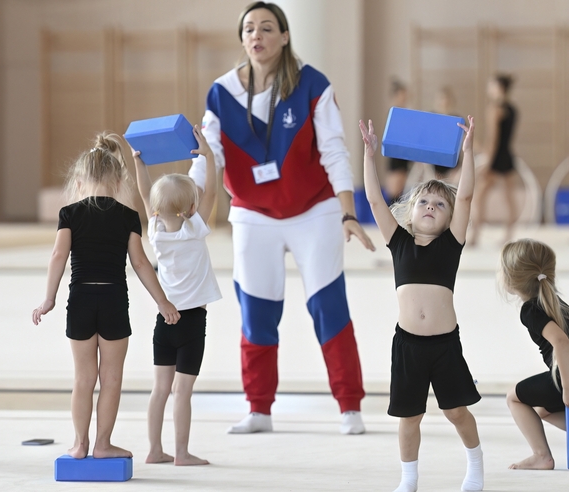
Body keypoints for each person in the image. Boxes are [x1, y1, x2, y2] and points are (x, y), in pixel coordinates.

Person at [188, 1, 374, 435]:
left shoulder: (312, 84)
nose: (257, 35)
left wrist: (348, 211)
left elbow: (334, 150)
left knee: (329, 307)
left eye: (267, 28)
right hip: (253, 214)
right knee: (256, 311)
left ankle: (349, 406)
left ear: (285, 36)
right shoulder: (220, 92)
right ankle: (259, 408)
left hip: (315, 210)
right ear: (242, 39)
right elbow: (208, 155)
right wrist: (185, 197)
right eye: (249, 28)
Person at [31, 133, 180, 460]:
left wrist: (49, 298)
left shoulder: (70, 213)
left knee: (83, 378)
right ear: (117, 179)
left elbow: (58, 255)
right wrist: (162, 301)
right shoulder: (127, 216)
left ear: (80, 181)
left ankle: (80, 443)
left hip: (80, 300)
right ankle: (103, 444)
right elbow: (140, 263)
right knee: (111, 379)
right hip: (113, 301)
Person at [359, 117, 484, 492]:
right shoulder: (398, 242)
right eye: (424, 202)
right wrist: (369, 155)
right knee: (409, 416)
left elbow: (465, 196)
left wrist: (468, 152)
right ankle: (409, 479)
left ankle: (475, 466)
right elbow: (373, 199)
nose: (431, 207)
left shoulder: (452, 244)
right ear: (411, 212)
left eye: (439, 205)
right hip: (408, 345)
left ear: (449, 219)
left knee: (456, 411)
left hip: (445, 344)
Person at [131, 126, 222, 466]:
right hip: (191, 320)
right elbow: (212, 191)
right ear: (192, 208)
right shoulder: (194, 231)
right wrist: (209, 157)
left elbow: (144, 195)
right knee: (182, 392)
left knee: (160, 390)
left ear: (156, 210)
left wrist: (139, 161)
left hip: (163, 321)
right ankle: (182, 453)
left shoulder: (155, 232)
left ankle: (154, 450)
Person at [499, 238, 569, 470]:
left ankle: (541, 455)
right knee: (543, 410)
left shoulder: (531, 309)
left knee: (513, 398)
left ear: (511, 279)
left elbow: (561, 342)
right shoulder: (556, 303)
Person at [469, 74, 518, 246]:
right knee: (509, 197)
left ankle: (475, 236)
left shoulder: (494, 108)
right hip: (508, 156)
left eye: (490, 86)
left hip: (496, 159)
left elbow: (493, 139)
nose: (488, 89)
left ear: (499, 88)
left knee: (479, 196)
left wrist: (487, 162)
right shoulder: (512, 109)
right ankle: (509, 234)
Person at [385, 79, 413, 203]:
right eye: (403, 95)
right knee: (395, 193)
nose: (405, 98)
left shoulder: (405, 113)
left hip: (404, 155)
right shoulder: (394, 113)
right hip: (396, 155)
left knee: (401, 192)